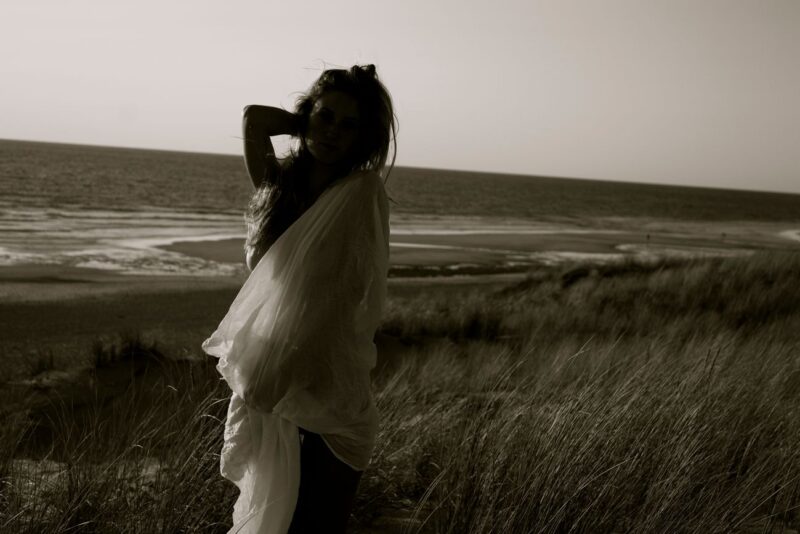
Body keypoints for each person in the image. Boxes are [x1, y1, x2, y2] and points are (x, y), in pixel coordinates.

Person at [202, 64, 397, 534]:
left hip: (325, 393)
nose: (333, 132)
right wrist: (306, 121)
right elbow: (254, 119)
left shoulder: (359, 194)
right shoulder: (277, 189)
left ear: (362, 136)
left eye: (349, 125)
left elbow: (341, 301)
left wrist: (283, 376)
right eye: (326, 116)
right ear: (308, 112)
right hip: (273, 383)